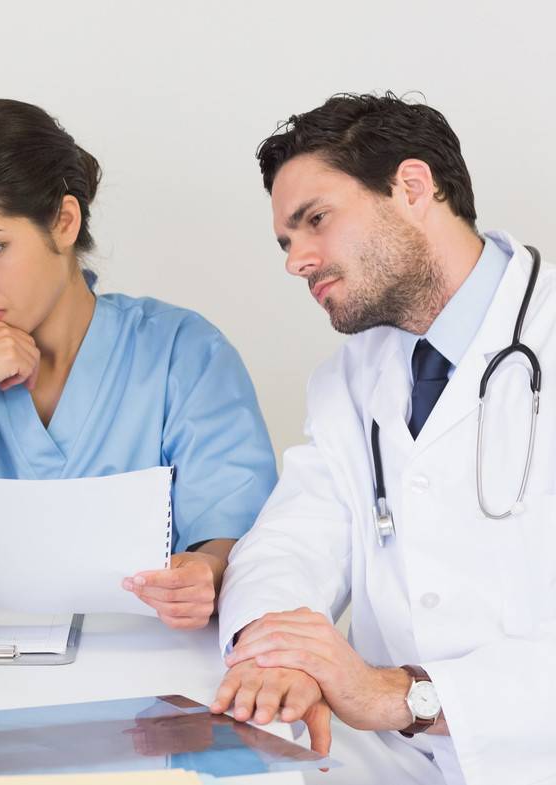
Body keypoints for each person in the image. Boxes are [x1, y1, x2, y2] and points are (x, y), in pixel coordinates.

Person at [213, 92, 556, 785]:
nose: (296, 260)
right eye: (286, 240)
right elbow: (287, 541)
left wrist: (401, 695)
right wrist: (276, 651)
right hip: (385, 759)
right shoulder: (351, 377)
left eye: (315, 221)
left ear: (412, 186)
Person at [0, 99, 277, 630]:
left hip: (153, 685)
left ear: (63, 222)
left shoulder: (181, 351)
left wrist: (207, 569)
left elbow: (233, 532)